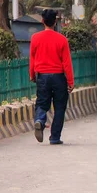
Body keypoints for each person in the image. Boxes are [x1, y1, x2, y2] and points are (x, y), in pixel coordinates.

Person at [29, 9, 75, 145]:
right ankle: (55, 137)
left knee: (42, 103)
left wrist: (32, 74)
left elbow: (32, 58)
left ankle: (40, 120)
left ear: (42, 21)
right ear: (55, 22)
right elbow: (67, 62)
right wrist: (71, 81)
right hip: (59, 77)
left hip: (42, 76)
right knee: (60, 107)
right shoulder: (62, 40)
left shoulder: (35, 38)